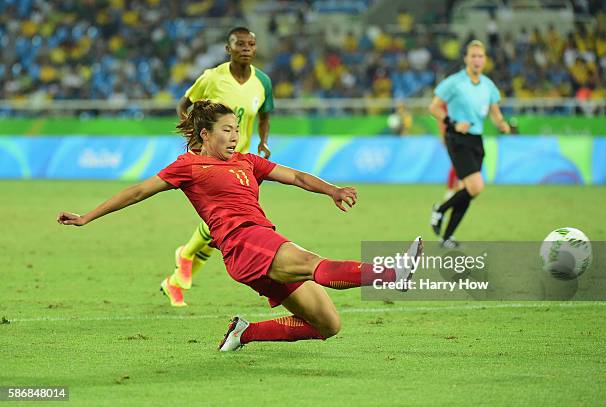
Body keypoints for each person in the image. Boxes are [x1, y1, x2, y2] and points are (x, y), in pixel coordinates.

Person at [57, 101, 423, 351]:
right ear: (205, 135)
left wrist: (331, 189)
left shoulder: (247, 161)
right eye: (227, 130)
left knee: (328, 326)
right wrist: (88, 216)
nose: (234, 137)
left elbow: (293, 175)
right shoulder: (187, 166)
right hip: (245, 241)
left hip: (255, 249)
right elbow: (138, 191)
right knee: (313, 263)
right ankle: (392, 273)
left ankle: (245, 332)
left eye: (237, 129)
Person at [170, 26, 274, 307]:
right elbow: (183, 104)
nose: (246, 48)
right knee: (226, 224)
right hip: (213, 162)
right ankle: (184, 264)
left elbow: (264, 115)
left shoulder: (262, 82)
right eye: (240, 44)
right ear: (228, 48)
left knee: (224, 228)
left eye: (251, 44)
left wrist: (263, 142)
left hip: (243, 162)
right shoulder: (212, 78)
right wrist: (193, 137)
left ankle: (180, 271)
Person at [429, 40, 510, 248]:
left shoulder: (488, 85)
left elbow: (495, 112)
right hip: (457, 138)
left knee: (469, 191)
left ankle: (447, 237)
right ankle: (440, 209)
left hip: (476, 139)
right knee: (476, 186)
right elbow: (434, 108)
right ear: (465, 58)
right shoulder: (454, 82)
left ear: (485, 60)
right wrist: (452, 123)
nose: (476, 60)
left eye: (480, 56)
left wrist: (502, 124)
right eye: (473, 56)